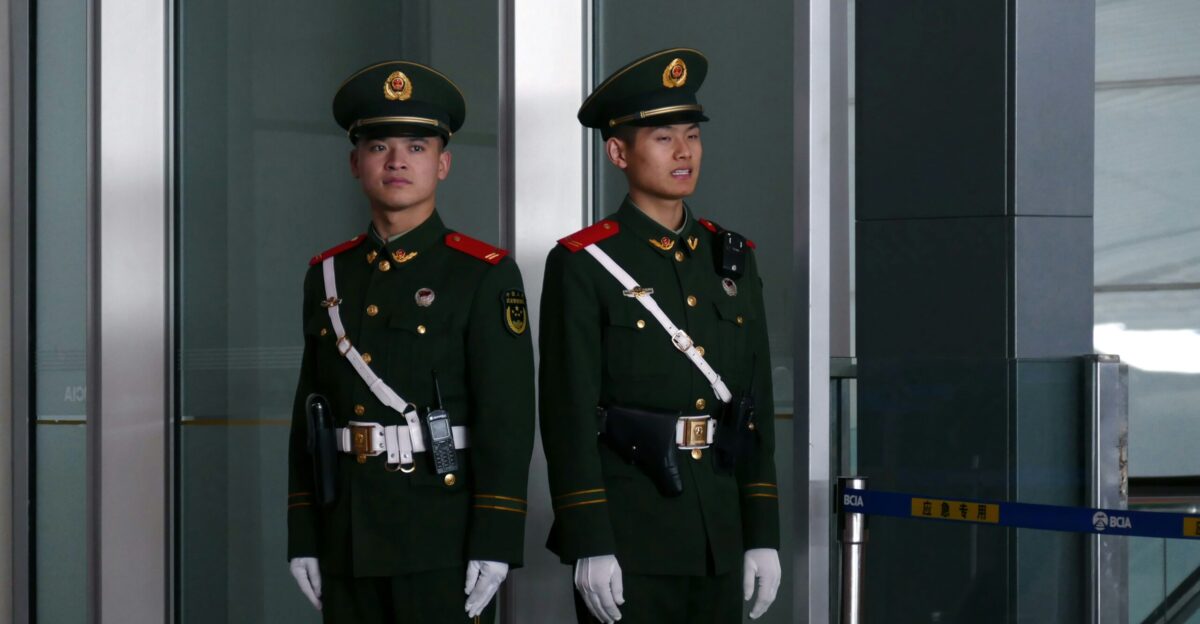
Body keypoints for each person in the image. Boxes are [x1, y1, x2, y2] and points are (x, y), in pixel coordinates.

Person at [286, 60, 535, 624]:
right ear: (356, 162)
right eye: (379, 146)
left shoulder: (483, 273)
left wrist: (496, 535)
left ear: (443, 163)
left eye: (417, 147)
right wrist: (304, 529)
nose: (397, 160)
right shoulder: (328, 275)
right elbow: (310, 411)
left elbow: (509, 416)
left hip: (442, 537)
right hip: (347, 531)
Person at [538, 48, 782, 623]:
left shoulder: (733, 257)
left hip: (718, 529)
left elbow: (755, 407)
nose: (683, 152)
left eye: (692, 136)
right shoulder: (585, 262)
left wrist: (761, 530)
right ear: (618, 152)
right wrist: (590, 537)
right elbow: (567, 412)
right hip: (631, 534)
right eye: (662, 137)